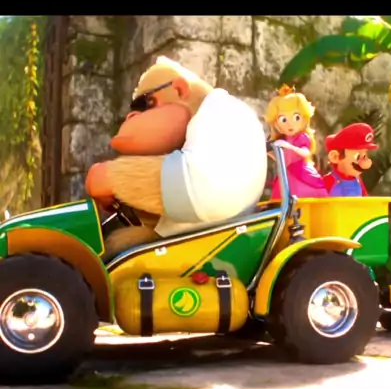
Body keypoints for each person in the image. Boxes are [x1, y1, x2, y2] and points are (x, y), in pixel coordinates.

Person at [86, 57, 268, 258]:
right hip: (200, 236)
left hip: (207, 235)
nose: (135, 116)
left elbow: (201, 188)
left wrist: (115, 178)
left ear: (179, 90)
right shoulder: (209, 122)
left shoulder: (223, 112)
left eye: (146, 103)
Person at [264, 85, 328, 199]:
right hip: (287, 176)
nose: (290, 124)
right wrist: (270, 152)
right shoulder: (283, 139)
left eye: (296, 117)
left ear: (304, 118)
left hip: (301, 174)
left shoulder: (302, 138)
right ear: (276, 124)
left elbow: (306, 152)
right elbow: (283, 159)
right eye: (283, 119)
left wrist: (290, 147)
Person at [322, 123, 378, 196]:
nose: (364, 162)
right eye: (358, 156)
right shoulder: (329, 180)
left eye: (364, 155)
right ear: (335, 157)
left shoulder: (358, 181)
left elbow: (365, 199)